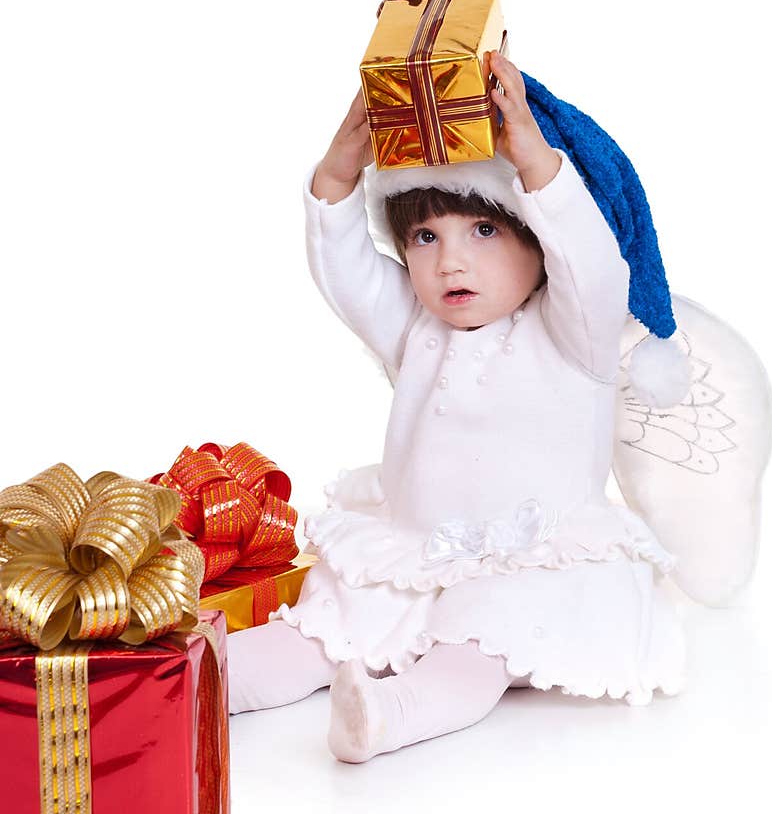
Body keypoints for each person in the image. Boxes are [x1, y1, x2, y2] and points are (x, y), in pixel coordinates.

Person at [229, 52, 695, 762]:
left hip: (531, 565)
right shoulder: (417, 331)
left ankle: (387, 714)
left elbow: (594, 265)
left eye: (483, 231)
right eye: (425, 236)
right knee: (319, 626)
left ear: (538, 239)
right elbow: (347, 271)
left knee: (475, 650)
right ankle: (193, 680)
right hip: (417, 550)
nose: (450, 262)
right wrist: (337, 174)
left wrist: (536, 162)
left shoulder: (576, 335)